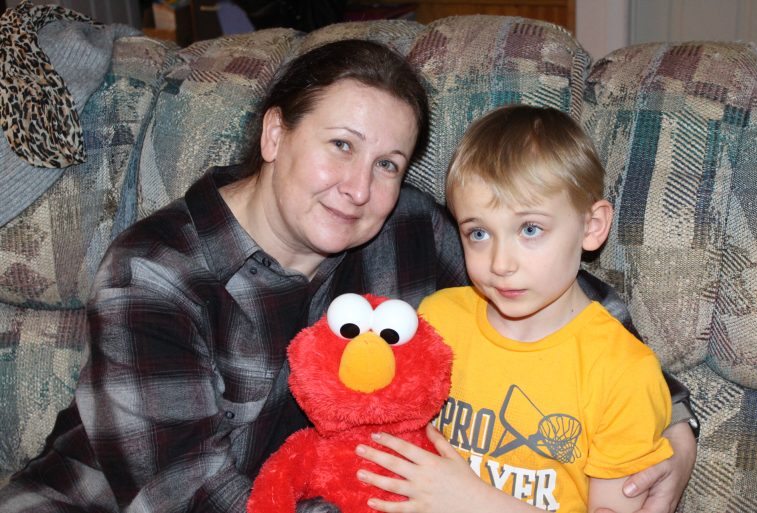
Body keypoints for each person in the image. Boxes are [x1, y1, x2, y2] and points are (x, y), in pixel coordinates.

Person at [0, 41, 694, 513]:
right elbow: (187, 497)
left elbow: (564, 302)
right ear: (275, 136)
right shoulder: (154, 271)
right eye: (341, 146)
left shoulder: (408, 230)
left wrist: (677, 421)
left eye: (389, 163)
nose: (359, 188)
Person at [354, 105, 695, 513]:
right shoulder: (437, 319)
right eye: (478, 233)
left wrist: (475, 502)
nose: (500, 263)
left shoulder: (625, 373)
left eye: (529, 229)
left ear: (592, 227)